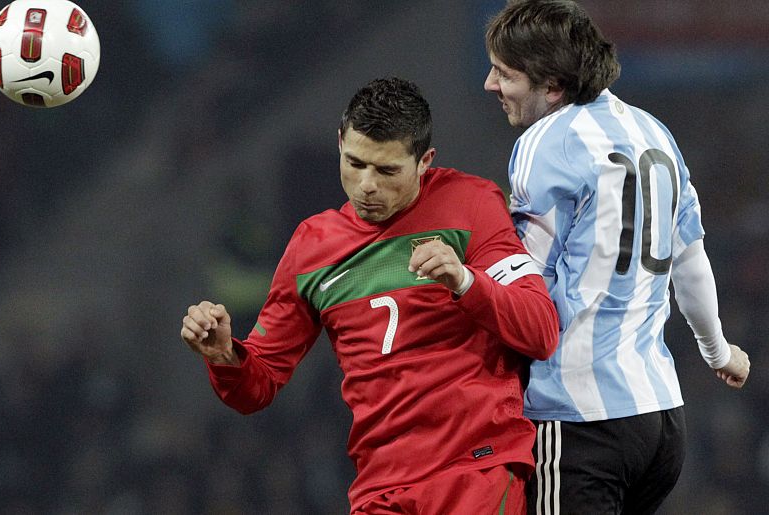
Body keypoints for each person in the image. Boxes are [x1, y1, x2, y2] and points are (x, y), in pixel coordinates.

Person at [181, 77, 560, 514]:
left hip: (474, 468)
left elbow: (540, 330)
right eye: (355, 163)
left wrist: (465, 282)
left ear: (424, 162)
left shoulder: (471, 204)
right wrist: (225, 356)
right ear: (340, 142)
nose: (366, 186)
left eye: (386, 170)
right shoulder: (313, 247)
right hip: (380, 489)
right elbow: (257, 387)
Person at [482, 1, 752, 514]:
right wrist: (718, 351)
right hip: (661, 421)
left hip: (581, 422)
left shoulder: (544, 142)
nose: (491, 85)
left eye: (505, 73)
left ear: (553, 85)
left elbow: (526, 288)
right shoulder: (655, 132)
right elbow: (690, 259)